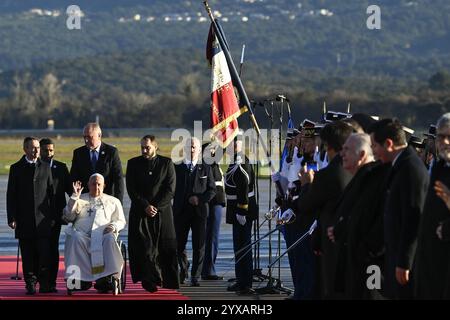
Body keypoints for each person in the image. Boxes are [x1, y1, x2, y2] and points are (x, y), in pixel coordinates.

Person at [369, 118, 429, 300]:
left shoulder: (410, 169)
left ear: (388, 144)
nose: (373, 151)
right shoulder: (399, 165)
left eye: (374, 146)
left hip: (406, 263)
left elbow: (414, 218)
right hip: (394, 255)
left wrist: (405, 262)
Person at [294, 121, 353, 299]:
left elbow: (305, 205)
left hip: (331, 241)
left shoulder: (329, 173)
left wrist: (306, 185)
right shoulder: (352, 169)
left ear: (327, 145)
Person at [329, 133, 389, 299]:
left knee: (372, 296)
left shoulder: (374, 178)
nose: (342, 154)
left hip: (372, 263)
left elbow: (378, 220)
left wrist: (365, 251)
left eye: (347, 150)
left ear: (362, 155)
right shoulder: (360, 178)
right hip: (356, 261)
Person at [126, 135, 179, 292]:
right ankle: (148, 279)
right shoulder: (133, 163)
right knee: (143, 248)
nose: (144, 150)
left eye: (147, 147)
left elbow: (170, 189)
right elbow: (131, 189)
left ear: (155, 147)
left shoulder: (166, 163)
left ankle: (166, 279)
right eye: (142, 147)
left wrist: (155, 206)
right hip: (140, 212)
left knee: (165, 247)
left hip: (162, 213)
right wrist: (145, 206)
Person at [7, 137, 55, 294]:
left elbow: (51, 194)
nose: (36, 151)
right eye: (33, 148)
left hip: (43, 220)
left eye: (37, 148)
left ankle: (44, 283)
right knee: (27, 255)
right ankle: (30, 283)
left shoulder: (46, 167)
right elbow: (11, 195)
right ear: (25, 149)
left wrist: (53, 216)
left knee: (43, 254)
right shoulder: (16, 168)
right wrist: (11, 217)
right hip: (24, 219)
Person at [63, 174, 126, 292]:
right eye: (93, 184)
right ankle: (79, 281)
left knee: (110, 239)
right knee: (74, 237)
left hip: (103, 236)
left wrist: (113, 226)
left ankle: (107, 279)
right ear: (88, 185)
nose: (96, 187)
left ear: (104, 186)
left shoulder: (113, 201)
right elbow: (68, 217)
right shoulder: (80, 198)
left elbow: (121, 220)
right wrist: (74, 198)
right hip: (82, 237)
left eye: (99, 184)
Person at [414, 113, 450, 299]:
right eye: (440, 136)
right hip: (429, 261)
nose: (444, 142)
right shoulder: (439, 167)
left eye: (449, 137)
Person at [173, 137, 216, 287]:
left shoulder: (206, 167)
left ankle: (195, 276)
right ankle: (183, 269)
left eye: (194, 147)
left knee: (199, 245)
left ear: (199, 149)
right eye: (189, 147)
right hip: (180, 212)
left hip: (199, 212)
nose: (191, 150)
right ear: (184, 149)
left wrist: (200, 199)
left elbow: (212, 190)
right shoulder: (176, 167)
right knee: (179, 244)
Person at [225, 132, 258, 295]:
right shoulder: (234, 161)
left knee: (244, 247)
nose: (231, 147)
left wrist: (242, 210)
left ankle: (246, 283)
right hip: (236, 209)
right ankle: (241, 280)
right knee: (238, 247)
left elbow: (243, 186)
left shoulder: (240, 161)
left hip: (241, 210)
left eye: (234, 144)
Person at [39, 138, 72, 293]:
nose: (49, 153)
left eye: (51, 150)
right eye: (46, 150)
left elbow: (70, 191)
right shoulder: (35, 167)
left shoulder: (61, 167)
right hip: (37, 216)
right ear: (40, 151)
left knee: (52, 249)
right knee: (40, 249)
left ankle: (50, 283)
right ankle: (40, 281)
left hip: (55, 217)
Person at [70, 123, 124, 203]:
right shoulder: (78, 153)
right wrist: (76, 199)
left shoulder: (111, 152)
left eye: (89, 137)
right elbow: (74, 178)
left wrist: (118, 203)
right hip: (85, 201)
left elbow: (118, 179)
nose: (86, 140)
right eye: (84, 137)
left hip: (106, 200)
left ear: (99, 136)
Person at [201, 142, 226, 281]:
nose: (214, 152)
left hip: (216, 202)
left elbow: (221, 151)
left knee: (212, 238)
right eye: (211, 150)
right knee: (211, 237)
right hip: (213, 203)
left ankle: (208, 269)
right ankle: (208, 270)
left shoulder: (213, 164)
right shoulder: (207, 163)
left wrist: (217, 141)